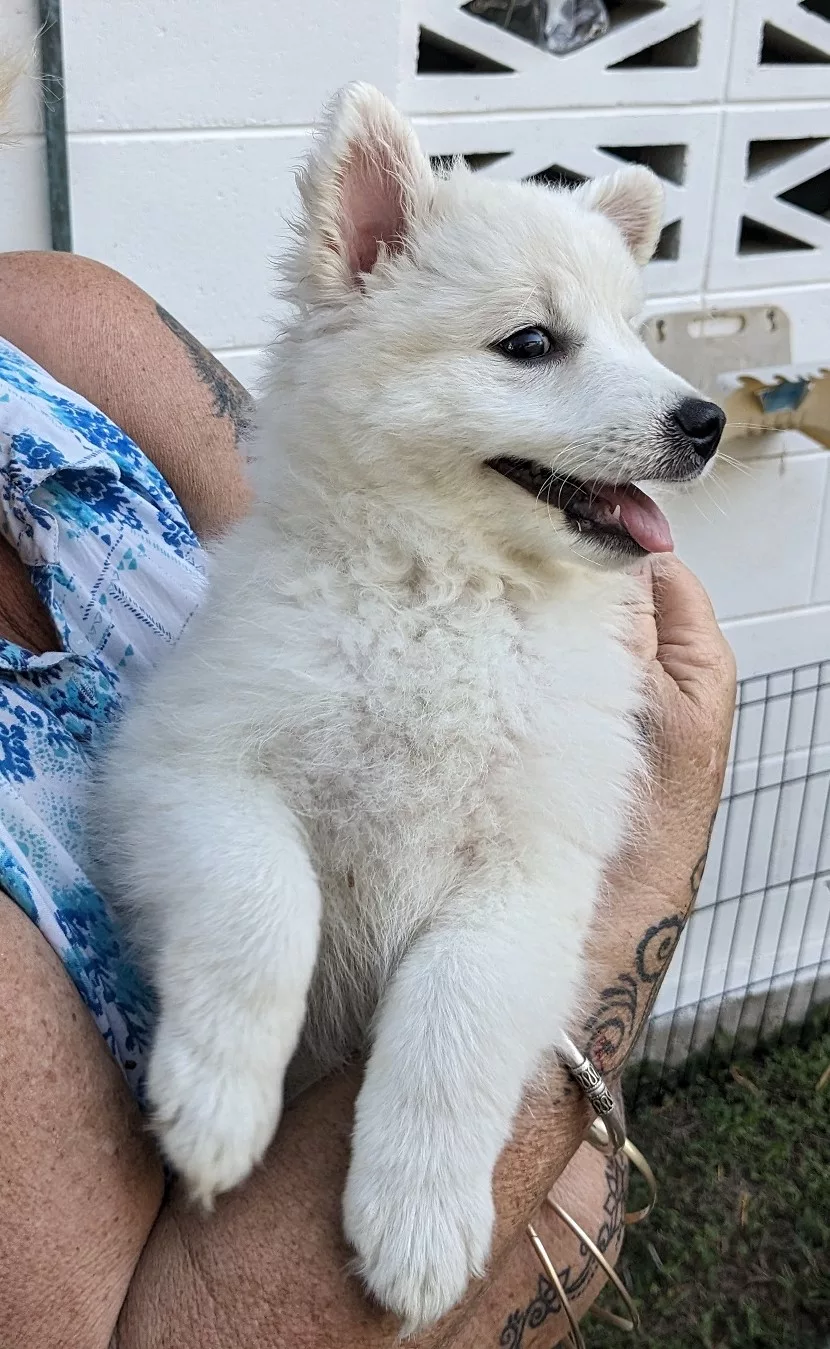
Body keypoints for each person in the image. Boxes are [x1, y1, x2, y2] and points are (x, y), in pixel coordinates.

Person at [0, 250, 736, 1349]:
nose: (667, 396)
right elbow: (196, 771)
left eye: (622, 330)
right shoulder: (299, 588)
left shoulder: (47, 321)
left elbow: (521, 883)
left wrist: (444, 1124)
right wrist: (655, 845)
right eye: (530, 345)